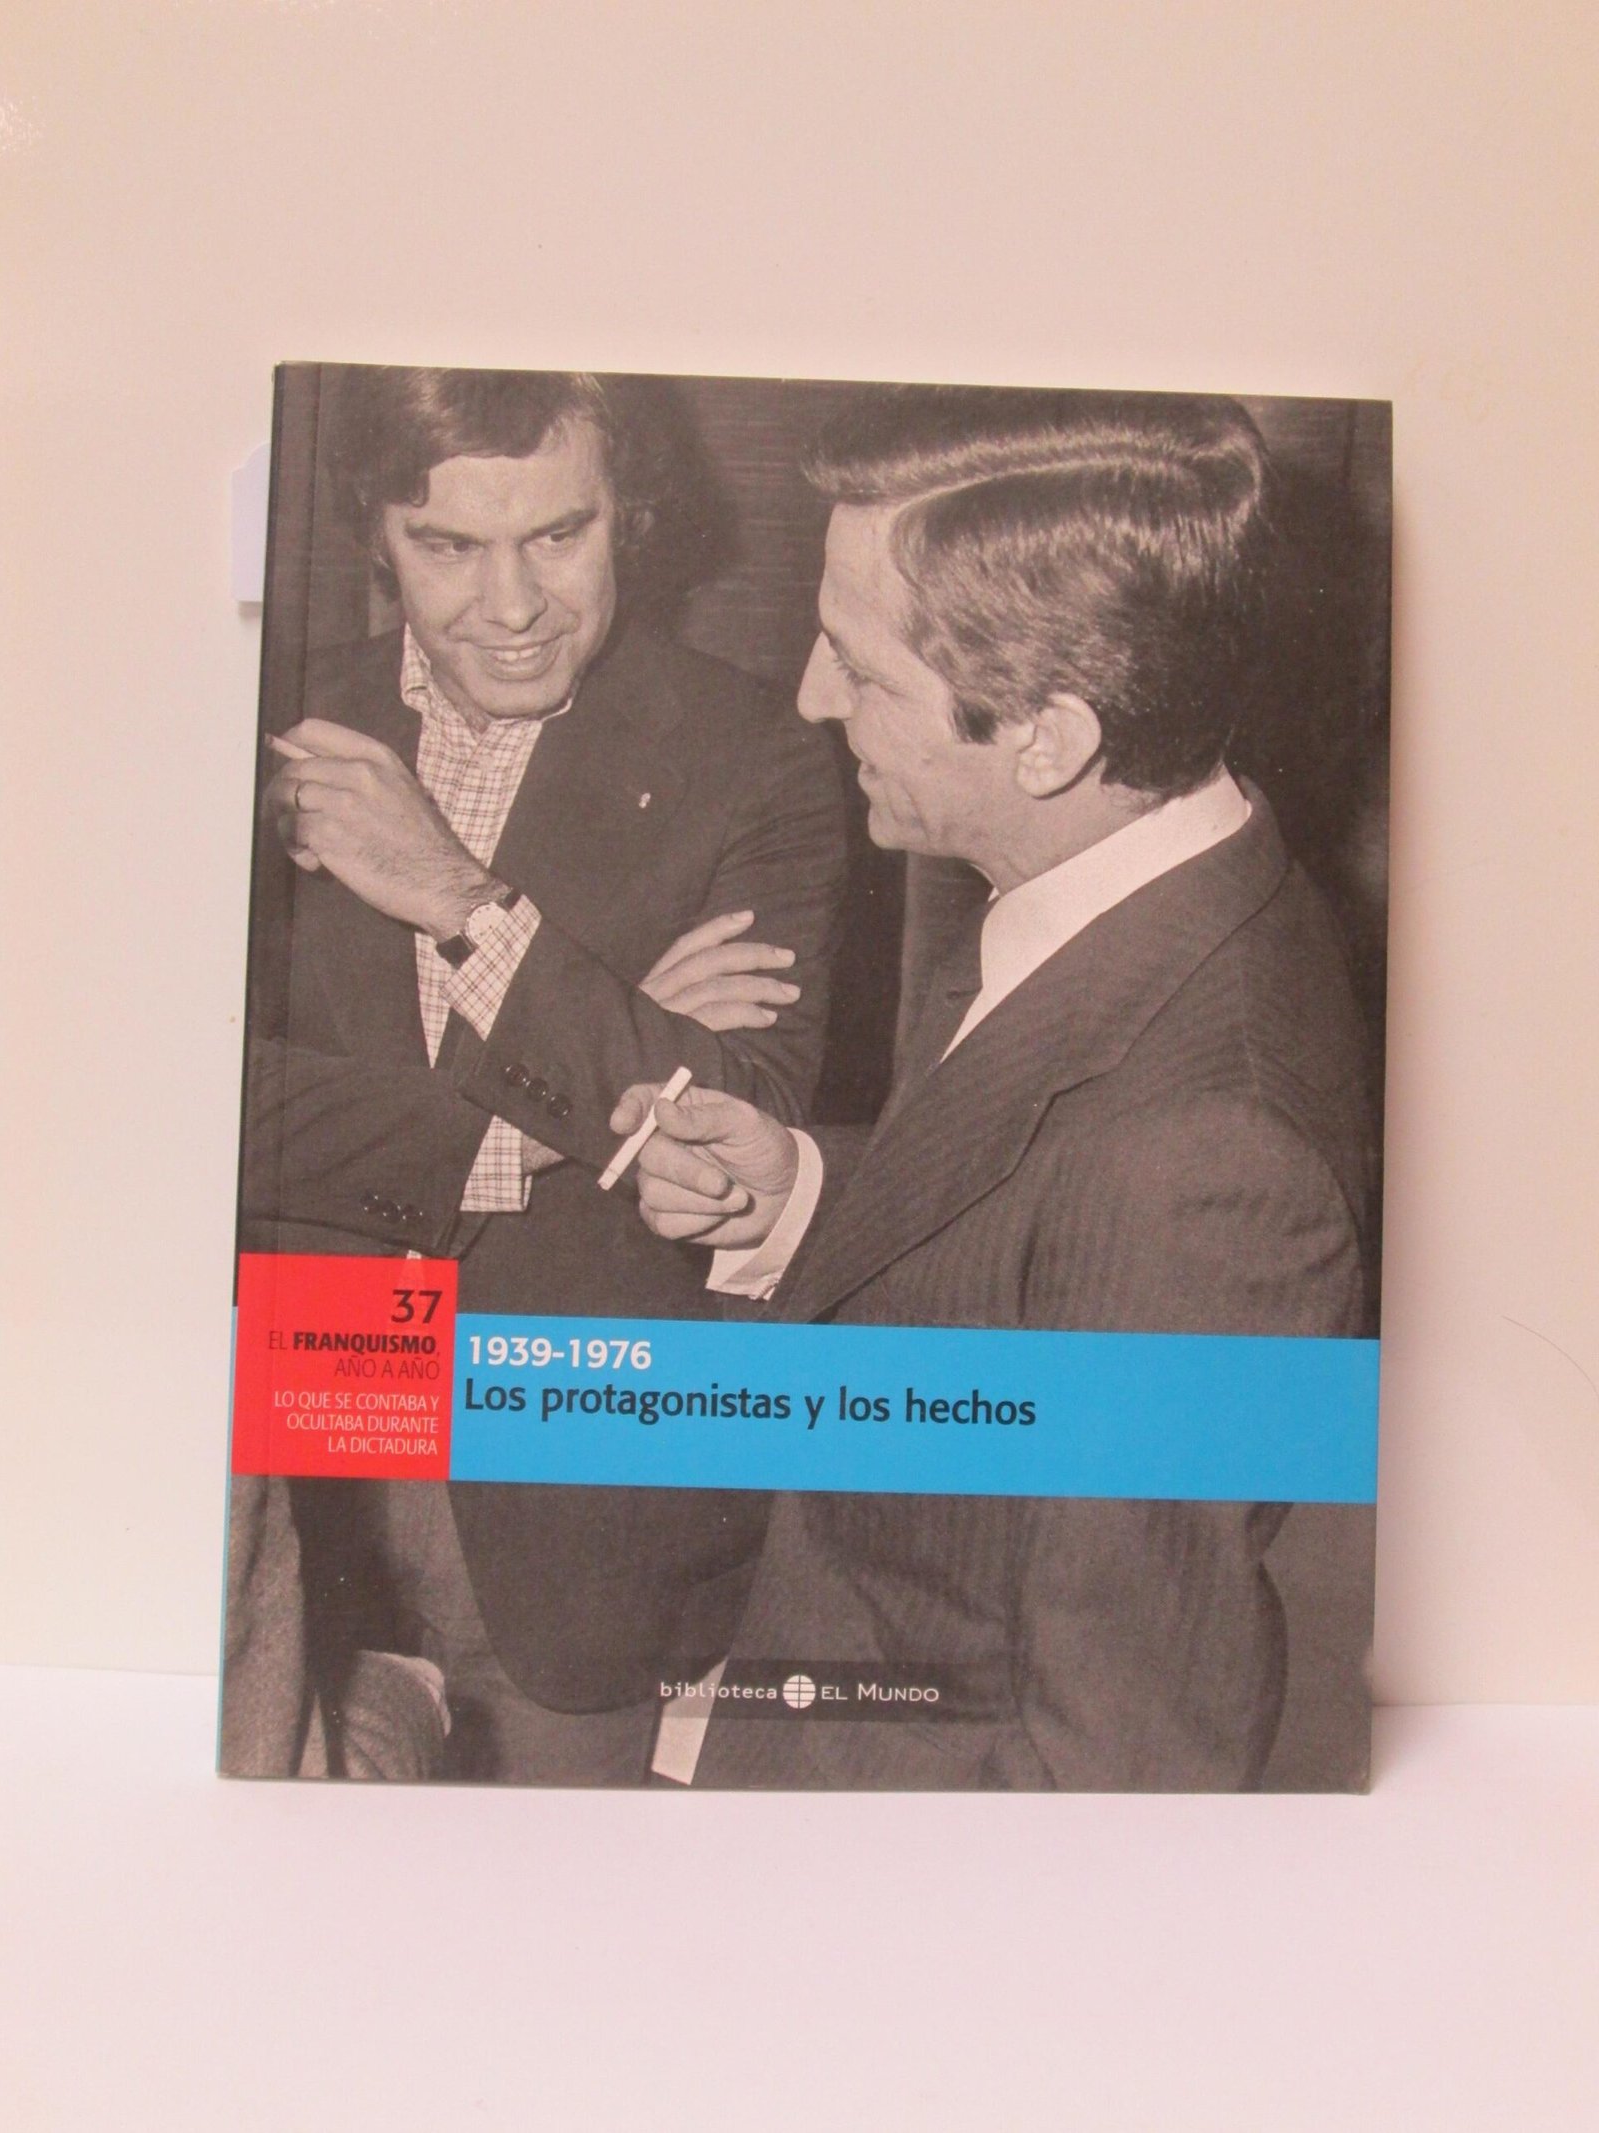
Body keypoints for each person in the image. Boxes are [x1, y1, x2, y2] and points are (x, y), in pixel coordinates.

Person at [616, 387, 1377, 1791]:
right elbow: (1033, 1224)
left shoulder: (1209, 1166)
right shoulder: (1129, 893)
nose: (812, 696)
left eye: (861, 668)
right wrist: (811, 1199)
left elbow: (1122, 1763)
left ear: (1049, 738)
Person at [236, 366, 847, 1782]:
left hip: (583, 1509)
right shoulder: (270, 726)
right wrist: (602, 1046)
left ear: (632, 515)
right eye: (448, 544)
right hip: (298, 1452)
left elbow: (728, 1136)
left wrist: (459, 897)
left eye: (559, 536)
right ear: (375, 535)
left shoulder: (760, 754)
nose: (511, 606)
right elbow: (210, 1105)